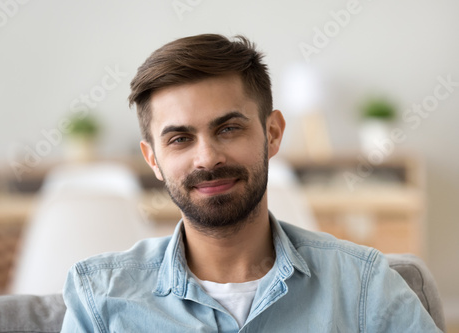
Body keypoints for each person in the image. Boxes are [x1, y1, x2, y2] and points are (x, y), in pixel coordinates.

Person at [61, 34, 441, 332]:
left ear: (272, 133)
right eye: (179, 139)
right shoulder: (98, 298)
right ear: (153, 159)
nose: (207, 158)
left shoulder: (363, 286)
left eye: (228, 129)